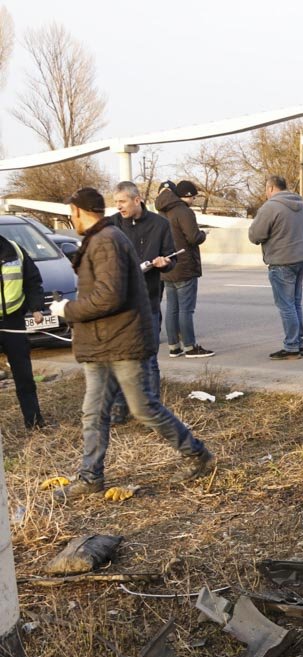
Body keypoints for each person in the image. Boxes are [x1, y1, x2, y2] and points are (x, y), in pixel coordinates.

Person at [49, 187, 215, 502]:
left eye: (72, 215)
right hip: (103, 343)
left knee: (143, 407)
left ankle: (197, 455)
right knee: (94, 412)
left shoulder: (106, 241)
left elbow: (109, 296)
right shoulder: (104, 237)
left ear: (83, 212)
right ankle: (90, 476)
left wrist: (68, 310)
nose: (71, 221)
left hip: (122, 340)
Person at [108, 181, 176, 424]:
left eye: (122, 202)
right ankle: (119, 407)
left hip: (148, 300)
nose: (119, 207)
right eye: (116, 202)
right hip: (120, 303)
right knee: (119, 356)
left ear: (137, 200)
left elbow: (172, 256)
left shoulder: (160, 225)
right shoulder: (112, 225)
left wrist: (165, 263)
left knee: (149, 357)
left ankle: (152, 409)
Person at [248, 175, 303, 359]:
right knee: (295, 304)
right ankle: (298, 343)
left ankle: (291, 347)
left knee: (286, 306)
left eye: (267, 190)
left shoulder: (270, 207)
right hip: (300, 258)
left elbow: (255, 235)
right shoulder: (300, 205)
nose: (266, 193)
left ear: (271, 188)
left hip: (281, 261)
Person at [155, 180, 213, 358]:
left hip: (167, 266)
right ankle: (190, 346)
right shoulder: (184, 212)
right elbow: (193, 237)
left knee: (172, 309)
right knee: (186, 310)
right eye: (194, 196)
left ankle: (174, 346)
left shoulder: (160, 212)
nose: (194, 200)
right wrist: (204, 234)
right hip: (184, 266)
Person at [0, 235, 47, 430]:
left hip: (13, 321)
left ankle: (34, 422)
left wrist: (36, 307)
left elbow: (32, 281)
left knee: (24, 375)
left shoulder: (15, 250)